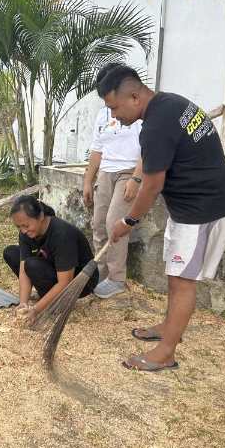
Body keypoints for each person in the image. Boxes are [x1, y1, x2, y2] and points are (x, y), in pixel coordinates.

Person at [99, 66, 225, 372]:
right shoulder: (173, 103)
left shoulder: (156, 126)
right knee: (176, 276)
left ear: (134, 96)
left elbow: (152, 185)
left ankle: (166, 353)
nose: (114, 116)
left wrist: (129, 222)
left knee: (182, 281)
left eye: (114, 107)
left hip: (201, 212)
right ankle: (168, 327)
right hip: (197, 206)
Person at [83, 62, 144, 299]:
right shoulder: (103, 114)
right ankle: (101, 273)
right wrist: (89, 180)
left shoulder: (137, 111)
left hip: (128, 172)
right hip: (105, 173)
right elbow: (97, 149)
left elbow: (147, 149)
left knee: (113, 224)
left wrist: (136, 178)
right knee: (98, 224)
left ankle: (117, 279)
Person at [3, 195, 99, 325]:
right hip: (53, 267)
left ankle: (58, 303)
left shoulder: (62, 234)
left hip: (80, 283)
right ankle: (47, 296)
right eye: (19, 227)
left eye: (25, 225)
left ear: (41, 216)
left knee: (32, 264)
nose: (23, 231)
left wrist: (36, 310)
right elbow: (23, 270)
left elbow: (65, 282)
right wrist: (23, 303)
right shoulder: (25, 233)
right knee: (11, 253)